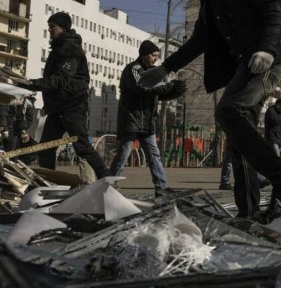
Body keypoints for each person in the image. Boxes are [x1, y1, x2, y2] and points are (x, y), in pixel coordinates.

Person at [137, 0, 281, 222]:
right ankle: (248, 213)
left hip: (269, 61)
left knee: (228, 110)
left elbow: (275, 8)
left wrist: (266, 48)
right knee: (238, 139)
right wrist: (164, 69)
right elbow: (200, 39)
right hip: (244, 66)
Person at [23, 12, 109, 179]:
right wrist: (49, 104)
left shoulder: (70, 50)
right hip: (58, 109)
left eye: (52, 27)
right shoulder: (58, 48)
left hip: (73, 106)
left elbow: (59, 80)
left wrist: (31, 84)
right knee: (46, 147)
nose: (50, 31)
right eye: (49, 28)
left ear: (63, 28)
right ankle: (50, 182)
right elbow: (55, 82)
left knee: (81, 145)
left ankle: (106, 179)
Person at [109, 40, 187, 197]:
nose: (156, 59)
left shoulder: (154, 72)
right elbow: (143, 88)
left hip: (147, 122)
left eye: (158, 56)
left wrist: (176, 91)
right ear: (144, 55)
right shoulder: (133, 69)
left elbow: (158, 93)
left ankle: (161, 188)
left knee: (154, 155)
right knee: (123, 154)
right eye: (153, 55)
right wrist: (170, 86)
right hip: (131, 119)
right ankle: (108, 186)